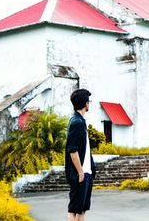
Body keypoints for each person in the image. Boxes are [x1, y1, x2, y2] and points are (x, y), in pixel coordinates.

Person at [65, 89, 96, 221]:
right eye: (88, 101)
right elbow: (72, 150)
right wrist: (80, 172)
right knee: (74, 209)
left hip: (86, 173)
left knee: (82, 209)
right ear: (85, 104)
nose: (89, 104)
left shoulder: (80, 121)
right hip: (80, 174)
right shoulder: (76, 122)